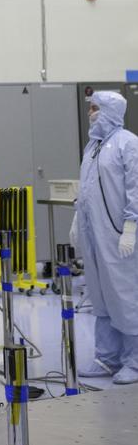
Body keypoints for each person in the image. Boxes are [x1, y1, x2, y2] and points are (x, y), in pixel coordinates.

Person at [72, 90, 138, 383]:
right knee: (99, 295)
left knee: (124, 295)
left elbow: (135, 189)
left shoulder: (128, 143)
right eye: (90, 108)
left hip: (117, 236)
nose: (91, 113)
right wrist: (77, 220)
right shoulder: (93, 146)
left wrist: (131, 228)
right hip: (93, 234)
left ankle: (134, 361)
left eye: (95, 108)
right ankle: (107, 358)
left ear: (111, 110)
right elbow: (86, 189)